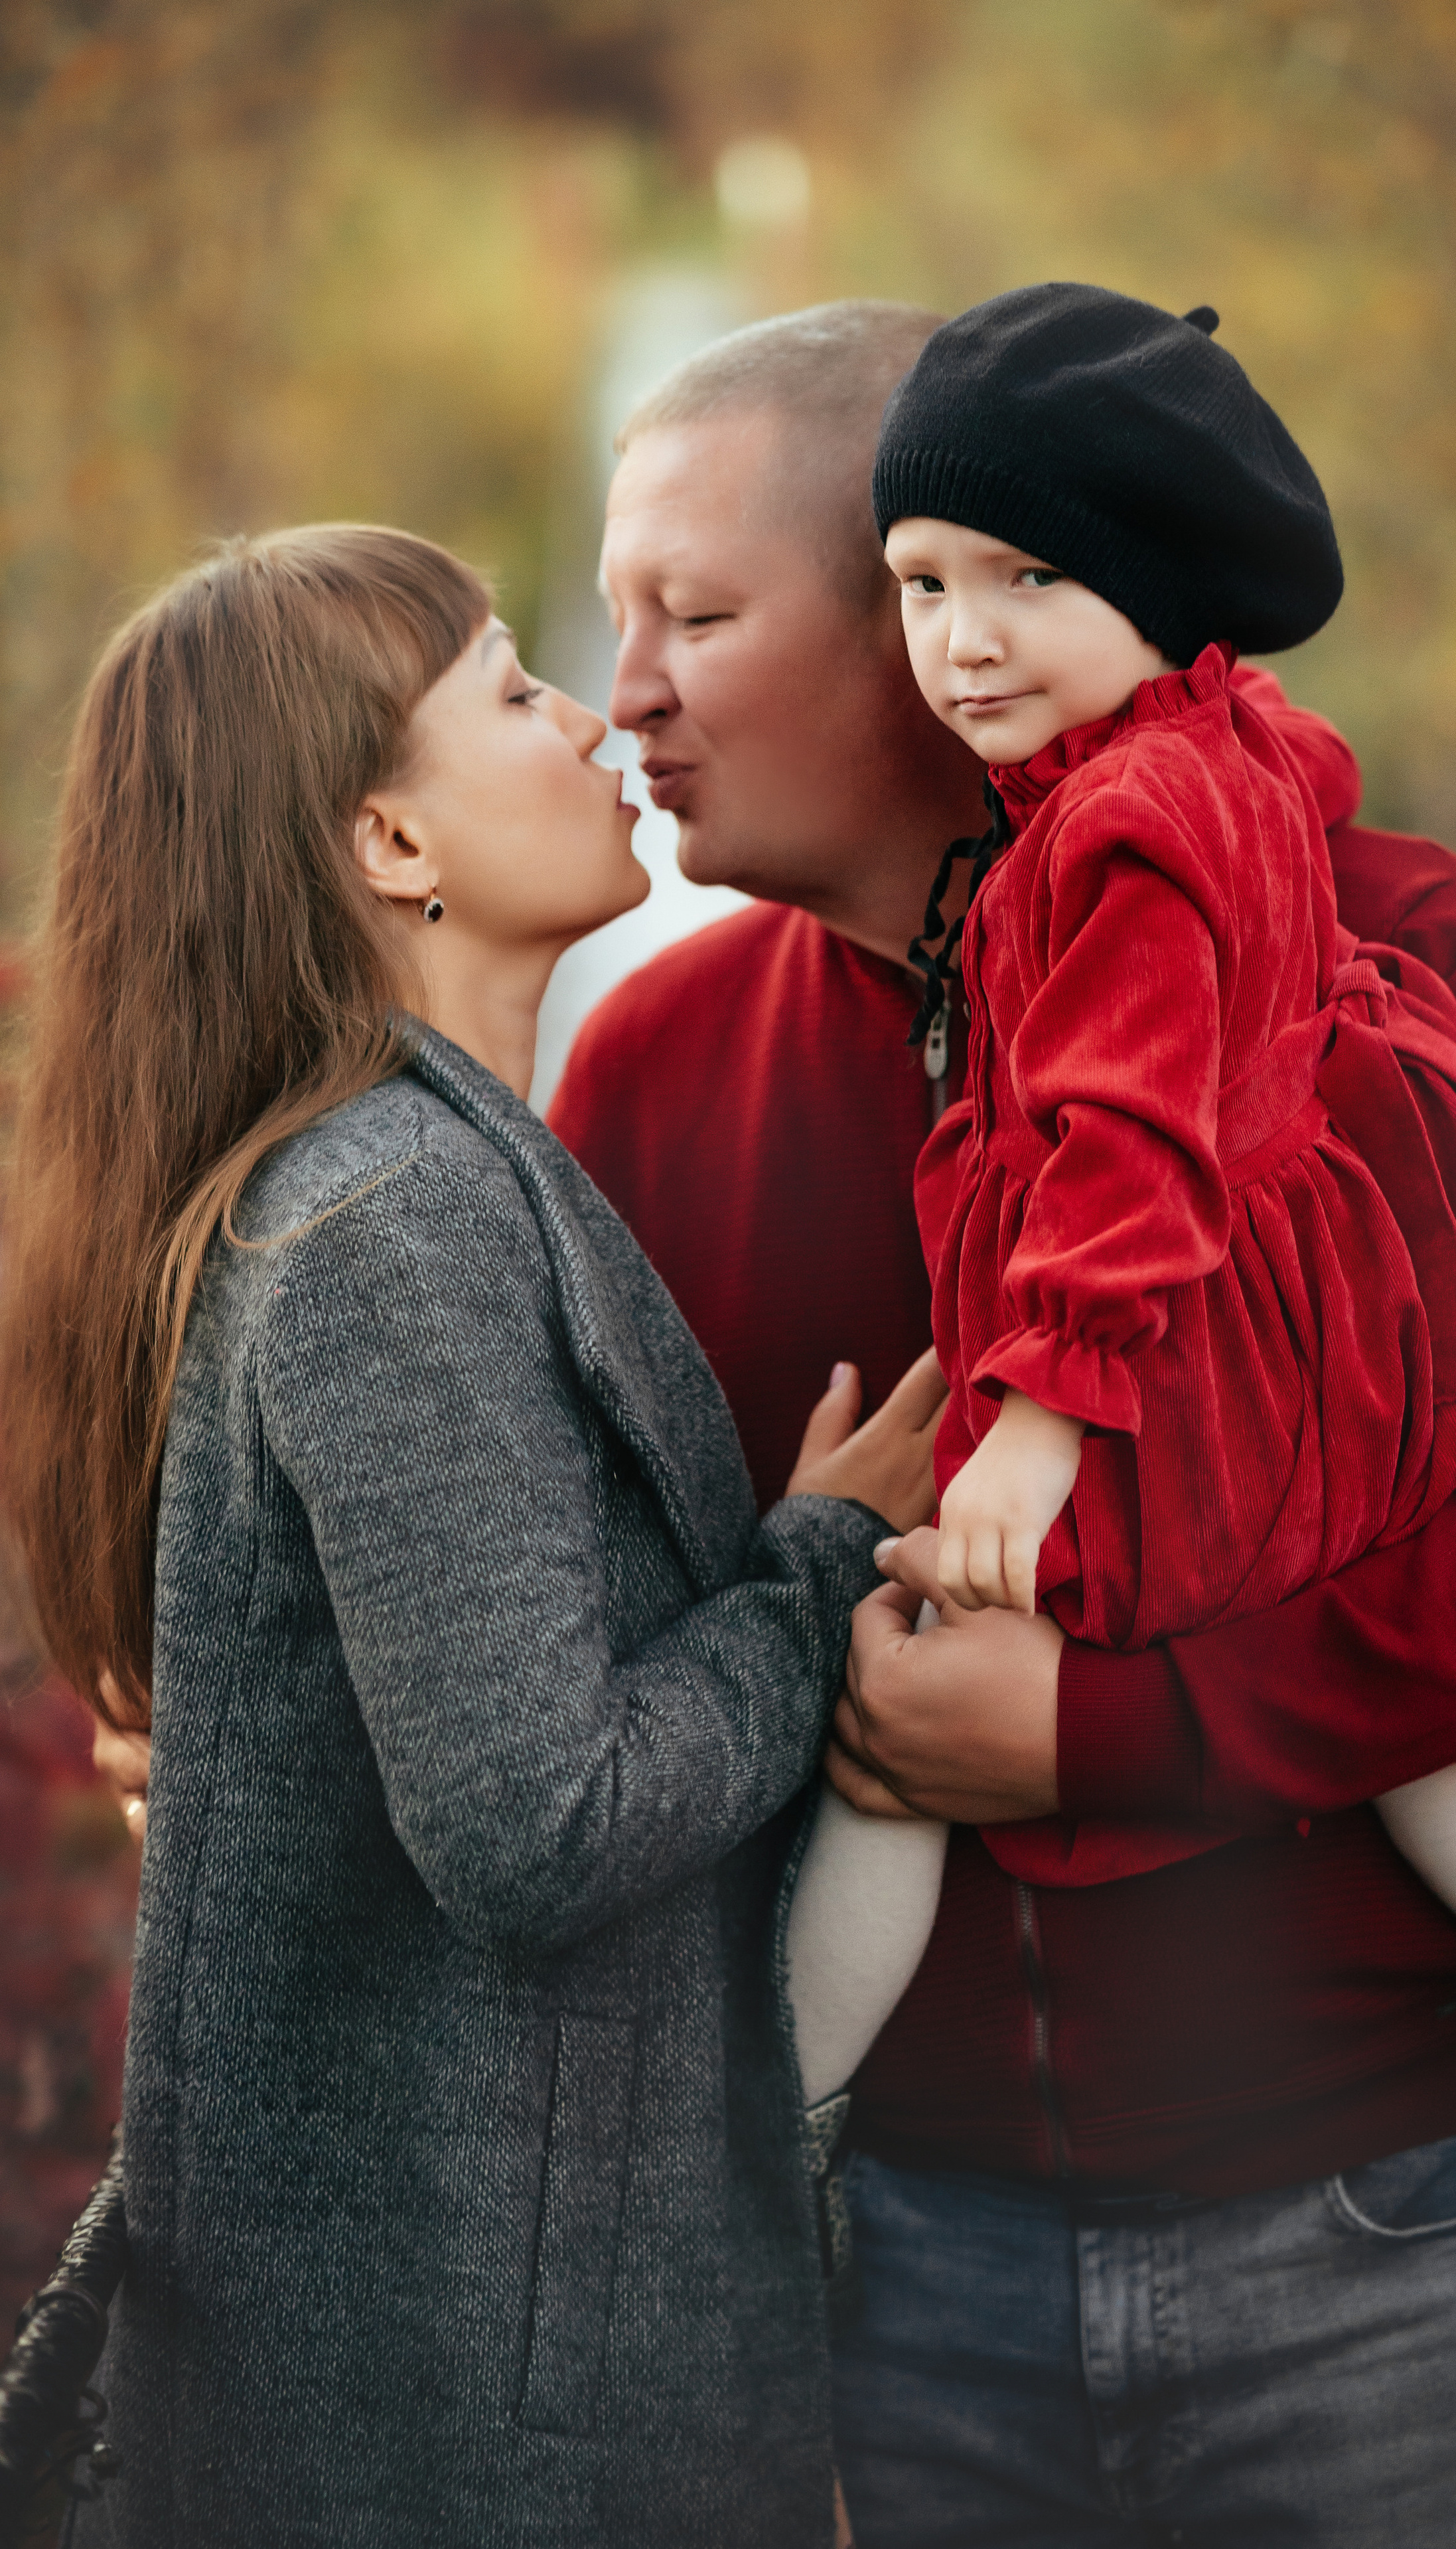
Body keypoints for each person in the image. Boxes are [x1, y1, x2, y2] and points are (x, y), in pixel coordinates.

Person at [561, 300, 1456, 2545]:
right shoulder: (648, 1076)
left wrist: (1116, 1728)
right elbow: (597, 1686)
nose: (629, 701)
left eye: (697, 617)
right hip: (913, 2280)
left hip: (1384, 2233)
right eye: (613, 625)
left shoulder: (1392, 951)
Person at [0, 522, 944, 2548]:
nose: (593, 718)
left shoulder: (428, 1178)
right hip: (479, 2415)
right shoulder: (391, 1227)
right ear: (388, 846)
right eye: (517, 690)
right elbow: (534, 1822)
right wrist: (813, 1566)